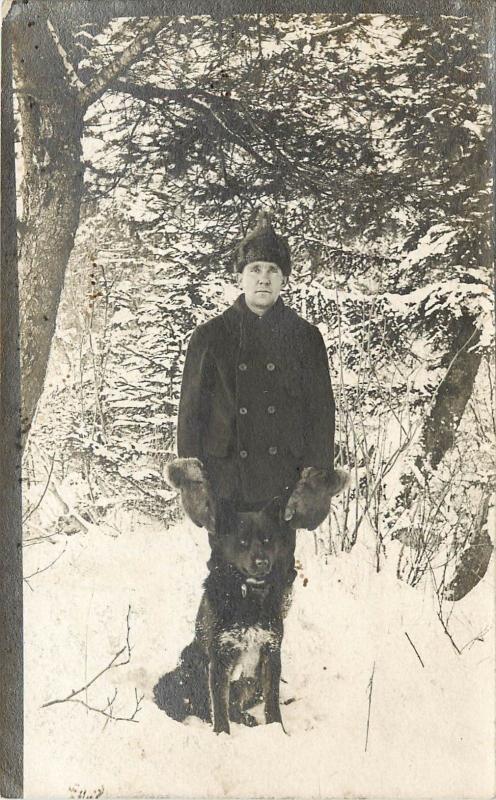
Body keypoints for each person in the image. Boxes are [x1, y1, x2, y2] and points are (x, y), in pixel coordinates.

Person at [175, 210, 337, 538]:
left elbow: (321, 416)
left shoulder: (305, 337)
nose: (263, 278)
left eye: (273, 270)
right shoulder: (210, 336)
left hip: (283, 490)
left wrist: (312, 487)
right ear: (240, 278)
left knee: (277, 584)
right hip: (226, 486)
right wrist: (195, 487)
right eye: (255, 269)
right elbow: (191, 414)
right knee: (224, 584)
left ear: (285, 280)